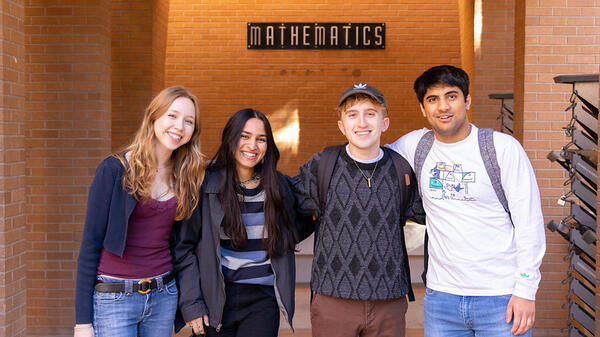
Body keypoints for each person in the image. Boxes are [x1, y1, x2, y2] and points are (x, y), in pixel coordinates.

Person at [388, 65, 546, 336]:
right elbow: (370, 159)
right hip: (441, 298)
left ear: (467, 100)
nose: (443, 107)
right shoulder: (415, 146)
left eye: (452, 96)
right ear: (423, 110)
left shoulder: (502, 148)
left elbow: (529, 223)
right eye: (432, 99)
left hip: (501, 297)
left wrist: (526, 291)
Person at [292, 83, 425, 337]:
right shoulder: (322, 165)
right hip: (333, 299)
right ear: (342, 125)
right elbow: (286, 203)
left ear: (384, 123)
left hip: (389, 300)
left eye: (370, 113)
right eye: (352, 114)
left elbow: (433, 213)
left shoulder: (401, 169)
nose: (362, 122)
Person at [74, 86, 205, 337]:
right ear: (154, 117)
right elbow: (90, 245)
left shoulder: (186, 176)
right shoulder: (114, 170)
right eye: (172, 115)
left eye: (189, 121)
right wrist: (82, 323)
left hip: (163, 295)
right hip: (115, 299)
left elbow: (183, 244)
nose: (179, 126)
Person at [171, 108, 313, 337]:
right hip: (216, 298)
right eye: (244, 136)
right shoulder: (205, 185)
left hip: (262, 300)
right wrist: (192, 303)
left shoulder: (278, 187)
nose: (252, 145)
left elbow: (295, 227)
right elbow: (183, 247)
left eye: (261, 139)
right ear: (230, 139)